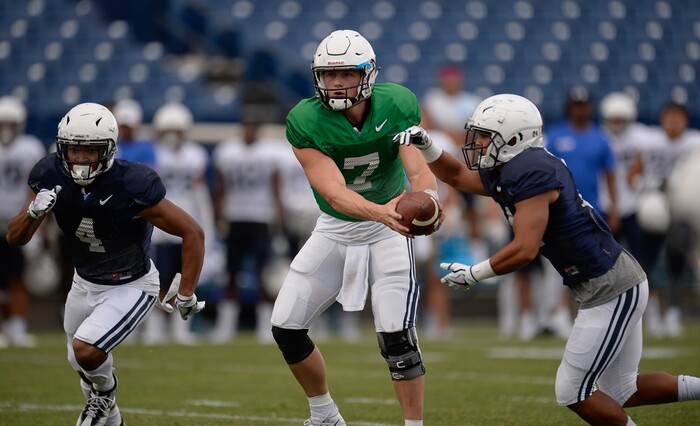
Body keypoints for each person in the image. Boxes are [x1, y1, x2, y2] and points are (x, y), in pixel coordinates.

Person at [399, 93, 700, 425]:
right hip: (610, 280)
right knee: (623, 390)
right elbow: (456, 176)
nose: (479, 143)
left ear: (513, 138)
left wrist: (474, 273)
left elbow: (526, 248)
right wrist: (426, 145)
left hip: (610, 286)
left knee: (572, 390)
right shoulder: (515, 165)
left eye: (485, 136)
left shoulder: (529, 171)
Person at [269, 29, 439, 426]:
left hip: (388, 234)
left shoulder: (397, 103)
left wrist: (428, 198)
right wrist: (384, 211)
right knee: (286, 328)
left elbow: (419, 171)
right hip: (337, 227)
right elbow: (333, 192)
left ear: (368, 74)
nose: (337, 83)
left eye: (346, 73)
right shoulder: (305, 119)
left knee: (397, 337)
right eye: (329, 75)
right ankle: (325, 415)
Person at [5, 102, 206, 425]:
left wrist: (185, 291)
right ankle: (112, 418)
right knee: (78, 358)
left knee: (87, 350)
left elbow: (192, 231)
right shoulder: (50, 175)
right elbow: (15, 239)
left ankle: (104, 395)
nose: (80, 159)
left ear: (109, 150)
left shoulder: (131, 184)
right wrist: (33, 213)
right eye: (73, 150)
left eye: (90, 151)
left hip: (132, 284)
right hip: (84, 282)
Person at [142, 102, 212, 345]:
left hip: (186, 223)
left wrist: (207, 227)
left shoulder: (196, 155)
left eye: (177, 129)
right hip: (159, 224)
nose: (172, 135)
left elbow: (201, 193)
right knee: (156, 279)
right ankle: (154, 327)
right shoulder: (151, 153)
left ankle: (180, 327)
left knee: (184, 278)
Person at [627, 102, 700, 337]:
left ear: (686, 121)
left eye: (677, 118)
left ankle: (674, 313)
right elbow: (633, 174)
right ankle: (653, 315)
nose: (673, 122)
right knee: (645, 262)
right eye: (669, 117)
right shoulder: (650, 142)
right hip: (653, 204)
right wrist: (643, 186)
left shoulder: (694, 143)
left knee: (677, 261)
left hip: (681, 208)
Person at [212, 112, 285, 344]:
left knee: (264, 274)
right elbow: (221, 187)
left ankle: (266, 327)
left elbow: (276, 187)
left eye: (254, 125)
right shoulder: (227, 151)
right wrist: (218, 214)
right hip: (235, 217)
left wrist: (278, 216)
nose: (249, 130)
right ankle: (226, 326)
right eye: (247, 125)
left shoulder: (270, 152)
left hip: (261, 218)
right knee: (231, 273)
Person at [0, 95, 46, 347]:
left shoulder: (30, 147)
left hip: (17, 222)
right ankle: (5, 327)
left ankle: (17, 327)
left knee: (17, 277)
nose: (6, 128)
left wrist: (35, 226)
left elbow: (36, 188)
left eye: (11, 123)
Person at [112, 98, 155, 166]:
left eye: (128, 127)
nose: (125, 130)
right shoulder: (111, 146)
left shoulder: (145, 149)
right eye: (123, 127)